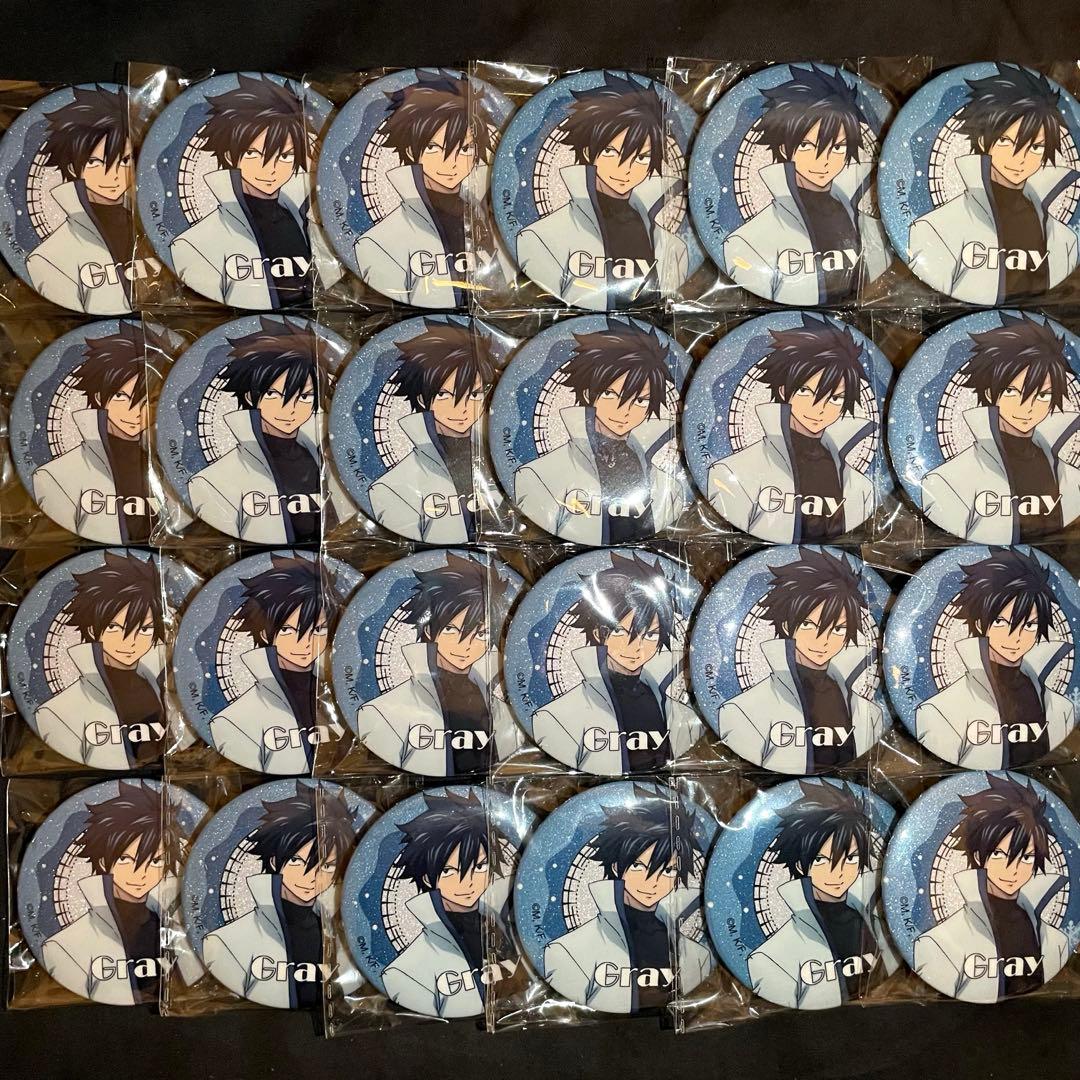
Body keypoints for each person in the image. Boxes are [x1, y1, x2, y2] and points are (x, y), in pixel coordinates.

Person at [908, 64, 1080, 304]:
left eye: (1035, 147)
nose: (1019, 159)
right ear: (982, 140)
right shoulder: (935, 230)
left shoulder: (1066, 240)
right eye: (1005, 141)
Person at [516, 72, 688, 309]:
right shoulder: (540, 238)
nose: (625, 169)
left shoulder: (675, 249)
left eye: (641, 157)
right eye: (610, 152)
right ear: (588, 152)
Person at [722, 65, 890, 304]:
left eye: (837, 147)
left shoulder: (877, 232)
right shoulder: (747, 242)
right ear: (784, 148)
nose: (823, 161)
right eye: (806, 146)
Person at [170, 74, 341, 308]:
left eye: (285, 156)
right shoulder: (194, 244)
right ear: (230, 155)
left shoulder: (315, 223)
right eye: (253, 154)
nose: (270, 169)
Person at [514, 317, 685, 544]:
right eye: (609, 394)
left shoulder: (670, 487)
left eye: (640, 400)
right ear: (588, 394)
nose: (624, 411)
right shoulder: (538, 477)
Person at [706, 314, 876, 543]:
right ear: (784, 391)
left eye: (835, 398)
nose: (819, 408)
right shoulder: (731, 473)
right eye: (805, 391)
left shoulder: (863, 488)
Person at [542, 785, 711, 1013]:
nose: (652, 882)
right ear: (616, 866)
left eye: (669, 870)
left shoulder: (698, 956)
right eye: (638, 866)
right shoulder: (567, 952)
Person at [531, 552, 701, 774]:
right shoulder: (555, 717)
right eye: (621, 632)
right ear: (600, 633)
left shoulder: (684, 716)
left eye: (651, 635)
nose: (637, 647)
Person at [717, 548, 883, 773]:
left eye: (838, 629)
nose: (822, 641)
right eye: (808, 625)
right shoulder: (742, 711)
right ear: (787, 625)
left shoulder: (870, 714)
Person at [353, 71, 509, 308]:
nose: (451, 163)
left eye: (465, 149)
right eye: (434, 148)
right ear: (411, 150)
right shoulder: (377, 243)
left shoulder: (492, 220)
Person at [355, 553, 519, 776]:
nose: (465, 645)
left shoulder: (508, 714)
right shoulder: (382, 712)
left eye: (481, 634)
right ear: (429, 630)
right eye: (451, 630)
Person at [921, 312, 1080, 542]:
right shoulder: (946, 482)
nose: (1027, 407)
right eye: (1012, 391)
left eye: (1043, 395)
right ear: (989, 392)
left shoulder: (1073, 478)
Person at [187, 317, 347, 543]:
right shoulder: (212, 482)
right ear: (251, 395)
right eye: (273, 394)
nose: (289, 409)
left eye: (305, 396)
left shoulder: (332, 461)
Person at [914, 774, 1070, 1003]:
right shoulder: (937, 945)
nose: (1013, 869)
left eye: (1026, 857)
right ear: (979, 855)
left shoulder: (1057, 942)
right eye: (999, 854)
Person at [916, 548, 1074, 768]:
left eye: (1030, 625)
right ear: (980, 623)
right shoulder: (940, 712)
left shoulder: (1062, 709)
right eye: (1001, 622)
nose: (1016, 637)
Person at [746, 780, 898, 1009]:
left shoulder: (883, 929)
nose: (837, 872)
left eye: (851, 858)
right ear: (800, 865)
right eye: (820, 860)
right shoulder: (771, 958)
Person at [202, 783, 356, 1008]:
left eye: (326, 866)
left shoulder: (343, 938)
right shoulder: (225, 942)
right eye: (296, 861)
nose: (310, 877)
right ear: (274, 860)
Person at [42, 781, 178, 1005]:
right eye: (125, 859)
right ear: (104, 861)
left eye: (155, 861)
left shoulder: (177, 929)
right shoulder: (64, 946)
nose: (140, 874)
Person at [381, 789, 515, 1017]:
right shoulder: (404, 971)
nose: (468, 882)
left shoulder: (506, 923)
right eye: (449, 871)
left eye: (480, 866)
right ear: (426, 877)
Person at [32, 321, 163, 543]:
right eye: (121, 396)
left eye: (149, 400)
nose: (136, 413)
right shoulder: (54, 477)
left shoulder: (172, 467)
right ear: (100, 397)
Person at [26, 84, 153, 313]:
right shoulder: (47, 258)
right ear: (73, 166)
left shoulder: (154, 226)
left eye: (125, 160)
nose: (113, 175)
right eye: (95, 162)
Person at [209, 554, 340, 774]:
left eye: (318, 629)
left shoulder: (338, 693)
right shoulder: (232, 721)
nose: (305, 643)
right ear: (264, 632)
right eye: (288, 630)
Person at [368, 319, 497, 542]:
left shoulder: (500, 460)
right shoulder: (391, 488)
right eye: (444, 395)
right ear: (422, 398)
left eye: (474, 394)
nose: (462, 408)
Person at [35, 551, 165, 769]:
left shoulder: (163, 683)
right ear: (92, 629)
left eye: (144, 629)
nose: (130, 642)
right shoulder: (57, 713)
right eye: (114, 627)